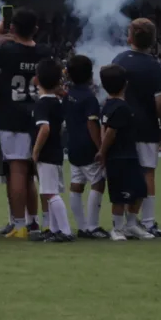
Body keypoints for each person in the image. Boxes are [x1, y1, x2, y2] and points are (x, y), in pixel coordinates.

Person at [109, 18, 161, 238]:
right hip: (146, 128)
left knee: (123, 174)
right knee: (147, 173)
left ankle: (121, 224)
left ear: (130, 37)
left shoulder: (119, 60)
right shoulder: (153, 66)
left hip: (122, 127)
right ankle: (145, 222)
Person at [0, 8, 43, 239]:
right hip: (38, 115)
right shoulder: (45, 51)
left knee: (17, 171)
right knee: (31, 174)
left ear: (12, 28)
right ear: (36, 30)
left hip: (12, 116)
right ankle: (33, 221)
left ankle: (18, 223)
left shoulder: (6, 50)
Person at [95, 63, 146, 240]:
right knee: (119, 195)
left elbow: (103, 128)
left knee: (139, 190)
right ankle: (117, 228)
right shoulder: (122, 108)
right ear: (125, 84)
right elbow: (110, 132)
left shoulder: (107, 105)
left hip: (128, 155)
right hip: (121, 156)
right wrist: (102, 151)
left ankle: (131, 224)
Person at [28, 59, 74, 241]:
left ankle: (65, 231)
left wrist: (35, 151)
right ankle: (54, 229)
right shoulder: (57, 102)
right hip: (56, 151)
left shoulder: (42, 104)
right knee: (50, 190)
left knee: (50, 193)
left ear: (37, 79)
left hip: (47, 153)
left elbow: (44, 128)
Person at [64, 54, 105, 239]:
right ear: (90, 75)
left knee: (76, 185)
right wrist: (101, 148)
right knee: (98, 183)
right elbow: (91, 124)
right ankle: (92, 226)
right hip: (88, 148)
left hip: (73, 146)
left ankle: (81, 226)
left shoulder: (68, 95)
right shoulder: (90, 98)